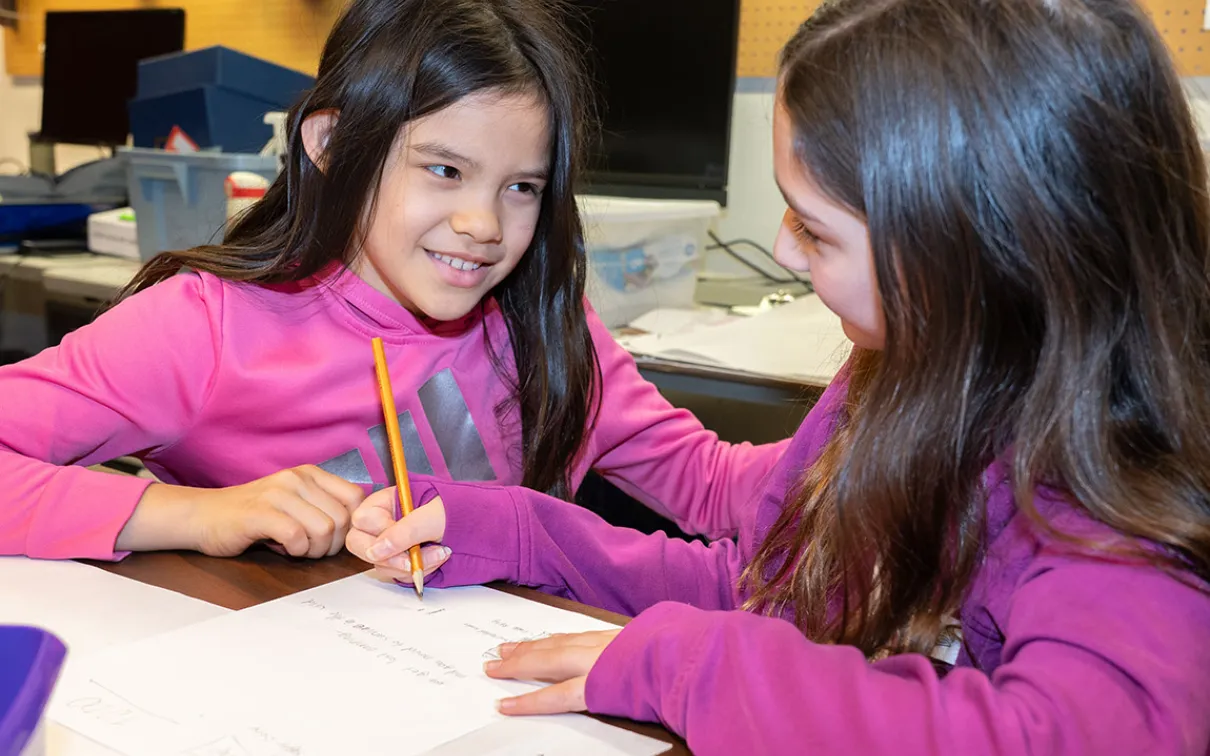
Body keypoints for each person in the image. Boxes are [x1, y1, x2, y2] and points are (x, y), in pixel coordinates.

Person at [349, 0, 1210, 751]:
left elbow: (1064, 738)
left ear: (983, 255)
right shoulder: (891, 378)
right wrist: (527, 534)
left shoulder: (1124, 511)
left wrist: (704, 672)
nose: (780, 250)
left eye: (816, 230)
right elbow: (774, 593)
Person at [0, 0, 782, 561]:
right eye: (445, 169)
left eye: (522, 187)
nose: (484, 223)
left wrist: (875, 447)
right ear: (335, 144)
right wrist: (192, 514)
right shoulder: (205, 325)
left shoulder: (541, 319)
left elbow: (709, 485)